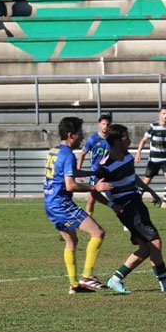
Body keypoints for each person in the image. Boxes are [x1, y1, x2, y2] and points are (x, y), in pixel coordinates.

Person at [94, 124, 166, 295]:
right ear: (117, 141)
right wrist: (111, 205)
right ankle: (165, 284)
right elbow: (94, 191)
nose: (130, 140)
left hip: (137, 203)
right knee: (155, 242)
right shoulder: (104, 165)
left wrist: (151, 191)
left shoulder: (127, 157)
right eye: (126, 137)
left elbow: (133, 177)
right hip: (126, 208)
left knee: (145, 248)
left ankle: (115, 279)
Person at [43, 116, 110, 293]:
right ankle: (87, 276)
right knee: (98, 232)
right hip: (61, 204)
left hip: (50, 203)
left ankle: (74, 285)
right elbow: (70, 185)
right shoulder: (68, 155)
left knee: (71, 241)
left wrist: (92, 172)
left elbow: (68, 172)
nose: (82, 136)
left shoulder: (55, 151)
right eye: (80, 133)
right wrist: (94, 186)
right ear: (71, 135)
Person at [136, 107, 166, 209]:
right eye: (164, 113)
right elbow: (144, 140)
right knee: (146, 181)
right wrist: (138, 153)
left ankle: (164, 203)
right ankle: (136, 199)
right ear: (159, 114)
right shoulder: (153, 127)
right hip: (154, 160)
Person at [82, 113, 113, 217]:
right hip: (95, 173)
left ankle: (126, 220)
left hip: (109, 172)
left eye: (107, 124)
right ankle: (87, 220)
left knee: (115, 198)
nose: (105, 126)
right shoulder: (93, 139)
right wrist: (78, 171)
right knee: (91, 200)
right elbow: (82, 154)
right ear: (99, 124)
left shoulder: (112, 139)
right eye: (103, 124)